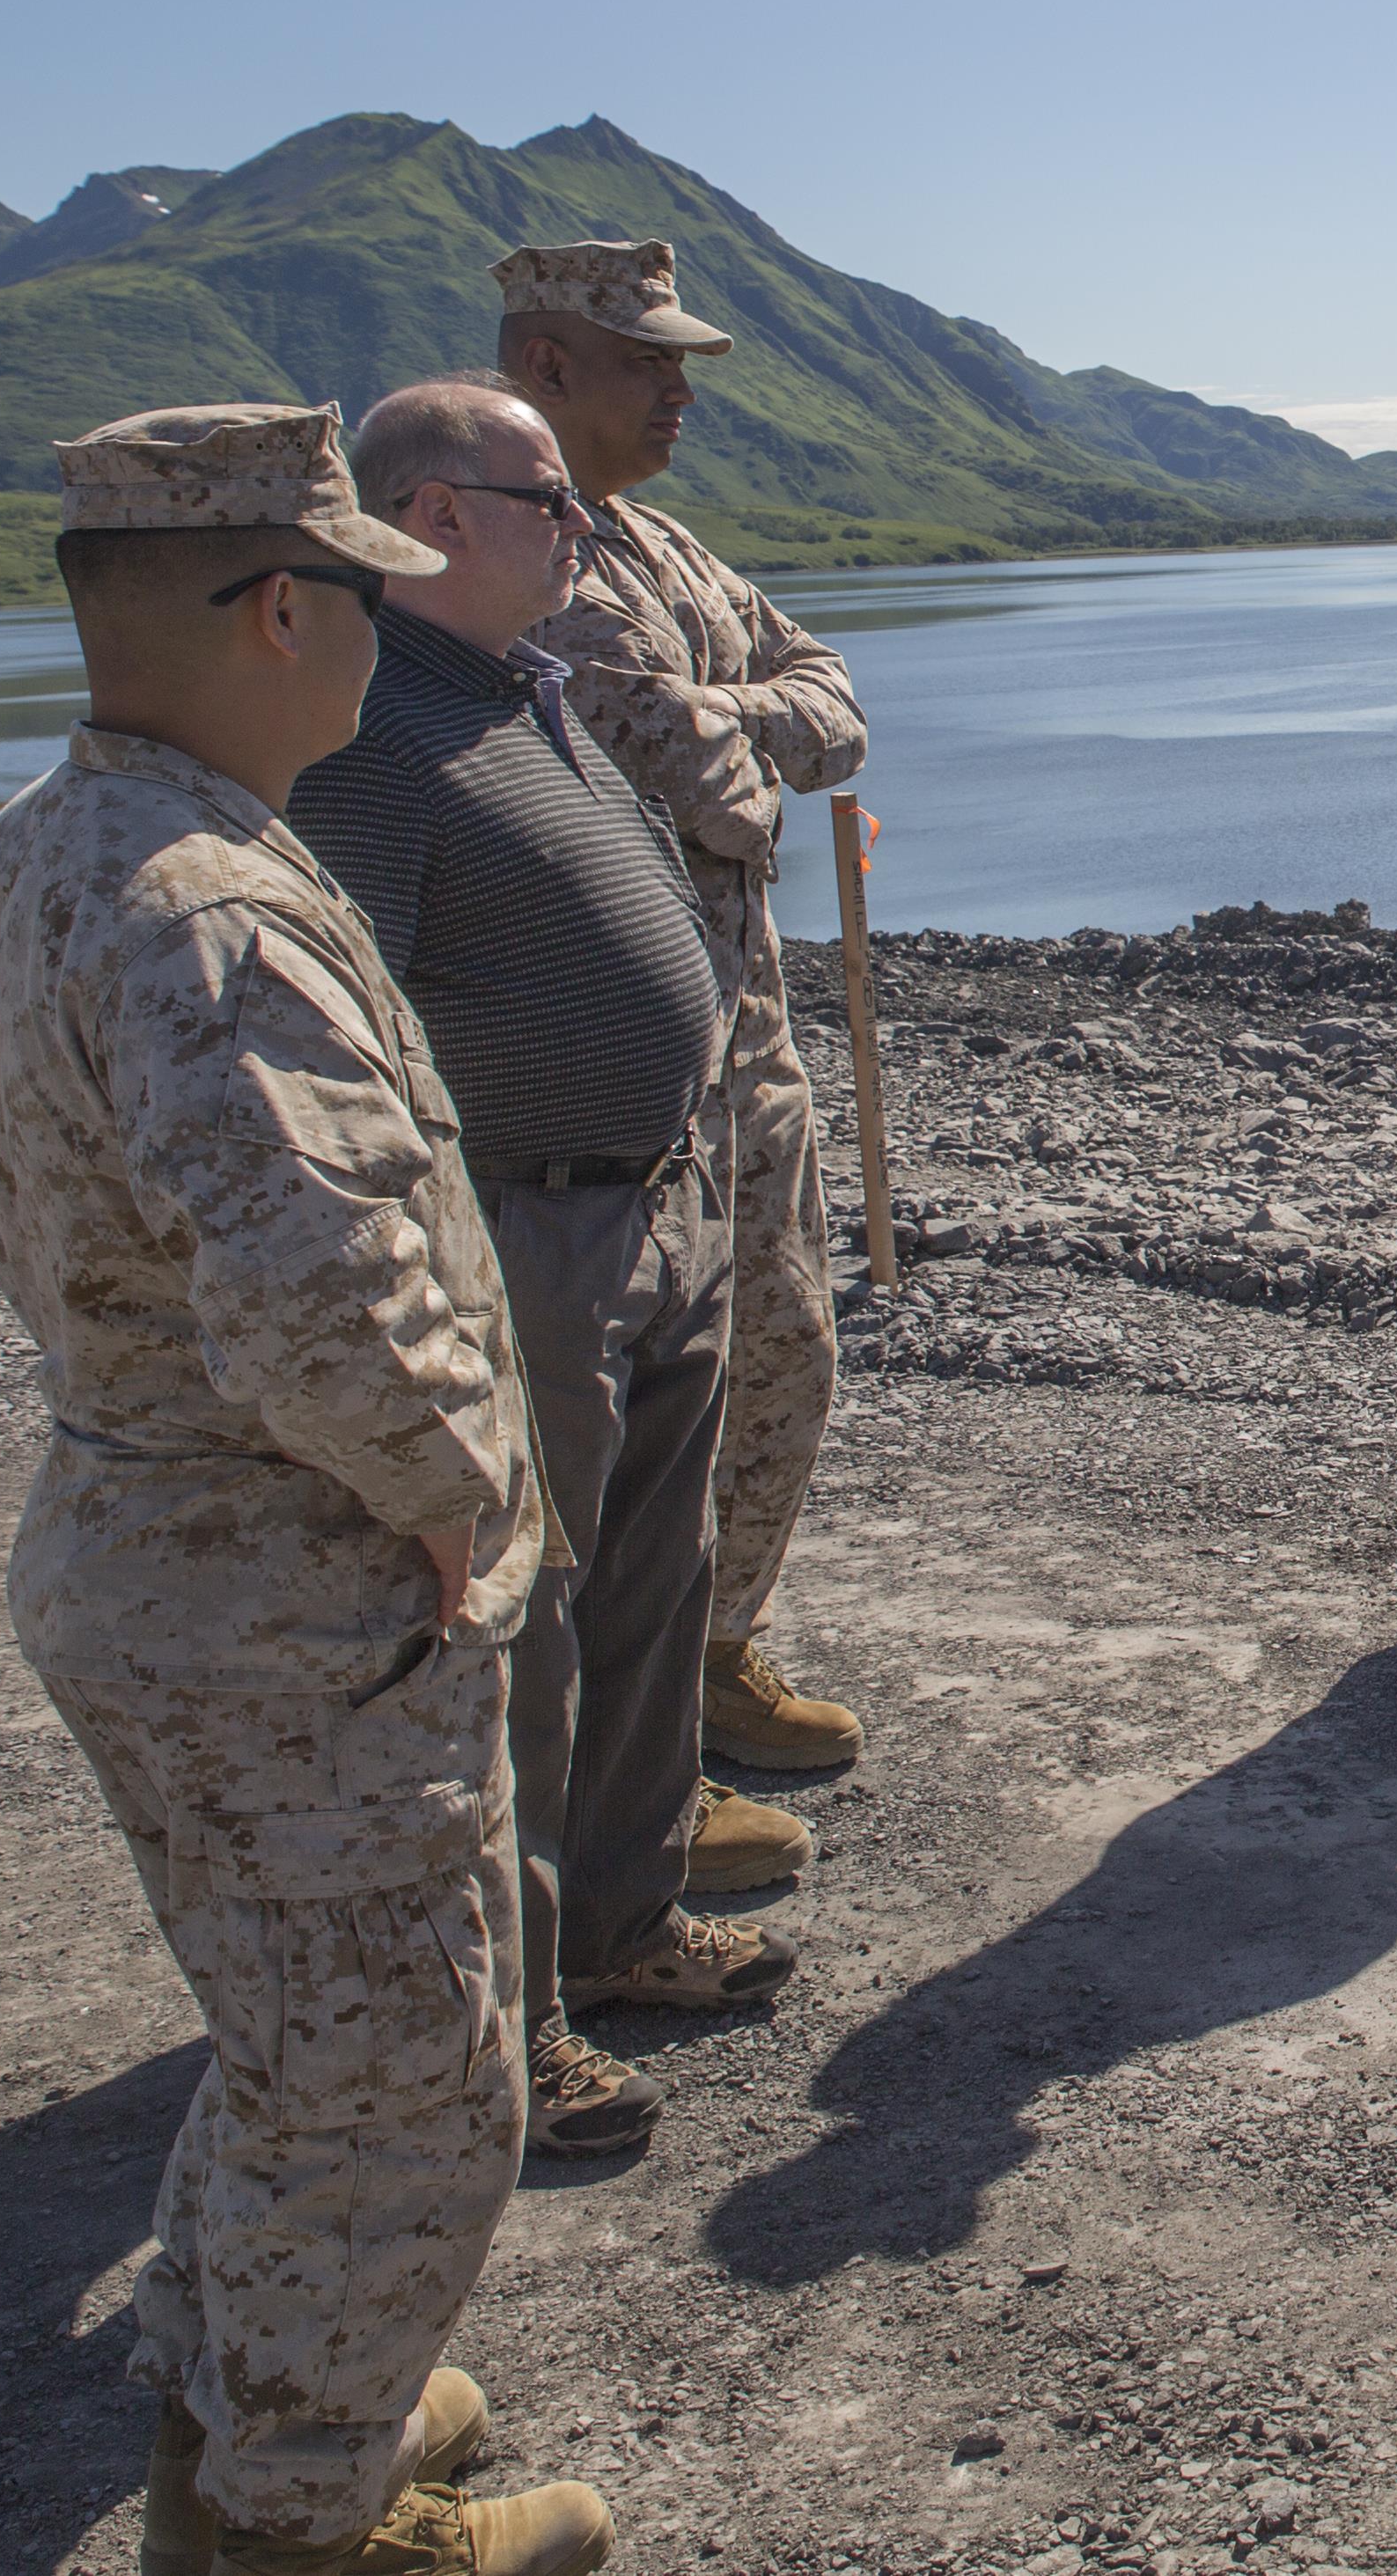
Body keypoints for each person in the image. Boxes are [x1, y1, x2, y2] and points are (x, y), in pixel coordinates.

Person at [0, 401, 614, 2574]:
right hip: (290, 1589)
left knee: (288, 2036)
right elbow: (324, 1285)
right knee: (403, 2085)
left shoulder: (35, 848)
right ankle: (301, 2520)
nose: (390, 641)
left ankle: (273, 2401)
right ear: (281, 608)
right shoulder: (204, 900)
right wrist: (450, 1496)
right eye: (367, 600)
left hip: (147, 1535)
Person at [290, 376, 791, 2162]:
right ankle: (513, 2015)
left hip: (650, 1203)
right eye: (545, 500)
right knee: (525, 1622)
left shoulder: (527, 690)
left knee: (653, 1585)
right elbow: (355, 1031)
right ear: (432, 516)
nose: (580, 531)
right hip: (525, 1223)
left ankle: (626, 1919)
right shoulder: (366, 728)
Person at [504, 241, 878, 1824]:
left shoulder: (667, 545)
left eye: (681, 362)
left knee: (783, 1348)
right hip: (609, 1068)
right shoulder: (521, 565)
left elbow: (831, 701)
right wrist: (738, 731)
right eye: (638, 358)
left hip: (752, 1042)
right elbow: (690, 780)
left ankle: (721, 1649)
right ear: (540, 363)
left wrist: (732, 713)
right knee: (624, 1409)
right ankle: (618, 1748)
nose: (674, 388)